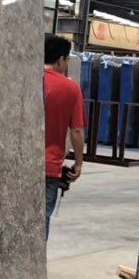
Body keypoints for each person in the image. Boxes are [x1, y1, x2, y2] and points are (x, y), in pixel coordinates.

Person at [43, 34, 86, 238]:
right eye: (67, 59)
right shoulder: (70, 88)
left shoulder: (23, 81)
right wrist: (78, 163)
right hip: (49, 167)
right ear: (60, 60)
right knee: (40, 222)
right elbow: (76, 131)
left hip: (17, 164)